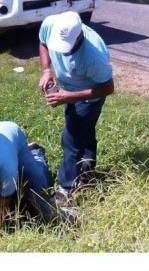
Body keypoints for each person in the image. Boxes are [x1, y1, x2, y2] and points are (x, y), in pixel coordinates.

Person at [38, 11, 114, 204]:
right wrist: (47, 70)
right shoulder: (51, 23)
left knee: (71, 139)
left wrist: (69, 97)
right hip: (69, 92)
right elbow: (43, 43)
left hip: (89, 97)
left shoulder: (94, 55)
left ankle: (66, 189)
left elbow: (107, 87)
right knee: (84, 131)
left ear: (79, 36)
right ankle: (86, 171)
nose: (62, 52)